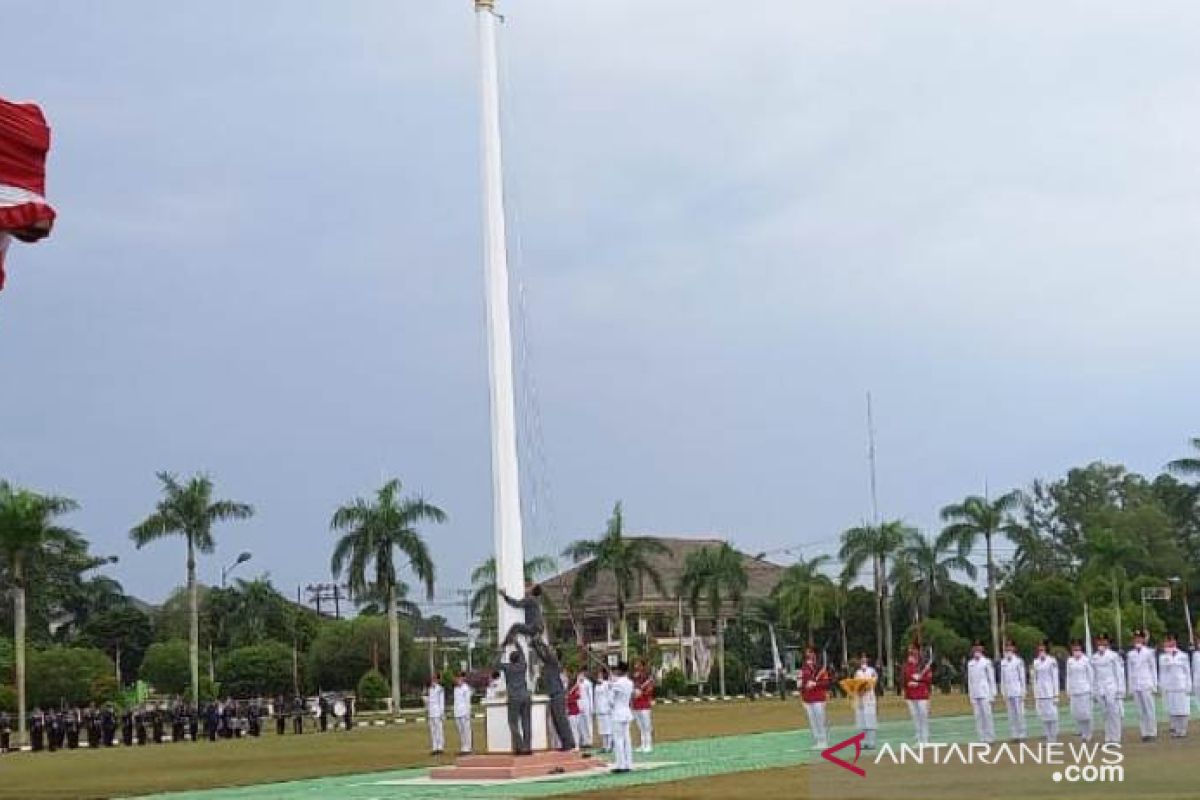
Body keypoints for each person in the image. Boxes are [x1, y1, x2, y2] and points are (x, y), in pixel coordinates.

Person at [499, 582, 550, 660]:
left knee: (516, 626)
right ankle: (536, 641)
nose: (528, 588)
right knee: (532, 643)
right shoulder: (537, 601)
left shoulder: (530, 599)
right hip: (538, 628)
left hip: (534, 627)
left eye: (530, 587)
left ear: (533, 591)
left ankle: (504, 645)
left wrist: (505, 596)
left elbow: (517, 604)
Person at [1091, 632, 1125, 744]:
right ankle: (1108, 737)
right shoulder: (1094, 657)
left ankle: (1115, 738)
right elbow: (1094, 675)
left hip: (1111, 687)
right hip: (1100, 688)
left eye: (1103, 641)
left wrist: (1120, 689)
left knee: (1114, 713)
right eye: (1099, 641)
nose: (1101, 643)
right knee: (1105, 713)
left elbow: (1119, 673)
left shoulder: (1113, 655)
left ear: (1107, 642)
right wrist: (1094, 690)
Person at [497, 648, 532, 755]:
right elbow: (523, 656)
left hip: (514, 697)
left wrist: (500, 651)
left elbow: (495, 664)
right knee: (526, 722)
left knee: (513, 723)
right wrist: (517, 644)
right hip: (525, 696)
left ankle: (520, 746)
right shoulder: (523, 666)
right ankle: (527, 746)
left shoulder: (508, 667)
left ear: (510, 659)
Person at [1126, 629, 1157, 742]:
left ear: (1143, 639)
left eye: (1139, 638)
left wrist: (1154, 685)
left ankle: (1152, 732)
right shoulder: (1130, 654)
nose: (1137, 640)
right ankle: (1144, 733)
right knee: (1140, 711)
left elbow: (1153, 669)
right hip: (1136, 684)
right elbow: (1129, 671)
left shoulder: (1149, 652)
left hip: (1146, 683)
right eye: (1135, 638)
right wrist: (1130, 687)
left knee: (1149, 709)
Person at [542, 648, 576, 751]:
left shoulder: (554, 663)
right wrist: (535, 644)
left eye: (553, 652)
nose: (550, 653)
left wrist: (539, 642)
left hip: (557, 694)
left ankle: (569, 743)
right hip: (553, 695)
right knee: (557, 721)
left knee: (561, 720)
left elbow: (546, 653)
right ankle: (565, 743)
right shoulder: (549, 664)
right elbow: (542, 655)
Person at [1158, 633, 1190, 738]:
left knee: (1182, 709)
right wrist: (1162, 686)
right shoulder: (1163, 657)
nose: (1167, 643)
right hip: (1169, 686)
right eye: (1166, 641)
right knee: (1172, 709)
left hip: (1181, 685)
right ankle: (1175, 729)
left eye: (1169, 640)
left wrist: (1188, 685)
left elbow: (1187, 672)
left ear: (1174, 641)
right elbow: (1162, 673)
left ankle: (1183, 729)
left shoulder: (1183, 655)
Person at [799, 647, 831, 749]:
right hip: (808, 699)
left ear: (814, 655)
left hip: (819, 698)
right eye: (807, 653)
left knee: (820, 720)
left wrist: (815, 684)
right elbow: (800, 684)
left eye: (811, 653)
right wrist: (804, 688)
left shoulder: (820, 668)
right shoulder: (804, 669)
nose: (809, 655)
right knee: (812, 721)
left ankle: (824, 740)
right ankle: (817, 740)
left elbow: (826, 683)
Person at [966, 642, 997, 743]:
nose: (976, 651)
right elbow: (970, 681)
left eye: (978, 648)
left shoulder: (986, 662)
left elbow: (991, 679)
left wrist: (993, 694)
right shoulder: (970, 664)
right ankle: (982, 738)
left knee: (987, 716)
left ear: (982, 649)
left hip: (985, 693)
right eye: (975, 648)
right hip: (975, 693)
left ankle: (990, 738)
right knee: (978, 717)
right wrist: (971, 696)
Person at [902, 645, 932, 745]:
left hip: (921, 694)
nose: (911, 654)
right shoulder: (906, 666)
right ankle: (919, 739)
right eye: (910, 652)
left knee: (923, 716)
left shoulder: (923, 665)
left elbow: (928, 680)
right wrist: (907, 684)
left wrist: (919, 681)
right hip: (910, 695)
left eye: (913, 652)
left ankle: (925, 739)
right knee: (915, 717)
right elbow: (903, 679)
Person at [608, 661, 635, 774]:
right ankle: (628, 763)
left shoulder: (617, 683)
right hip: (626, 711)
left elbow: (610, 700)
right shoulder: (630, 682)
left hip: (618, 713)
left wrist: (611, 685)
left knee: (618, 740)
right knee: (627, 739)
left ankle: (621, 764)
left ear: (619, 670)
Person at [1065, 640, 1094, 741]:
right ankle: (1083, 733)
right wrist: (1068, 690)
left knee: (1086, 713)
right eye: (1074, 649)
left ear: (1081, 650)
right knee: (1077, 713)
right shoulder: (1070, 661)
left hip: (1085, 690)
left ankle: (1088, 732)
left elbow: (1091, 675)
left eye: (1078, 649)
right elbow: (1068, 676)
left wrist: (1091, 690)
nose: (1076, 651)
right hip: (1074, 690)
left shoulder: (1086, 660)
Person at [1032, 640, 1060, 743]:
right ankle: (1048, 738)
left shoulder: (1051, 661)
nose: (1041, 651)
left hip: (1050, 692)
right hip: (1040, 693)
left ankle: (1054, 738)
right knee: (1044, 717)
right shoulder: (1035, 662)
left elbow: (1055, 679)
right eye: (1039, 650)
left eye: (1042, 649)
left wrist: (1056, 695)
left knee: (1052, 716)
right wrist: (1036, 695)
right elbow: (1035, 679)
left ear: (1046, 650)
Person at [999, 640, 1027, 741]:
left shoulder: (1018, 661)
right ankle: (1014, 734)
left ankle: (1022, 734)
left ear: (1014, 649)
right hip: (1008, 692)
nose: (1009, 649)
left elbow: (1022, 677)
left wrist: (1023, 691)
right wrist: (1003, 692)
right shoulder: (1003, 662)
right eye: (1007, 648)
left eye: (1010, 647)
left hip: (1017, 691)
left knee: (1020, 714)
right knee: (1011, 715)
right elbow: (1002, 679)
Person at [852, 652, 879, 749]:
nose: (863, 660)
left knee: (870, 720)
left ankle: (871, 742)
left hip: (869, 698)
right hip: (860, 699)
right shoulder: (857, 672)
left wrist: (865, 689)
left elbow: (873, 682)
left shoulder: (872, 671)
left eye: (865, 658)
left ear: (867, 659)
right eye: (861, 658)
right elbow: (855, 684)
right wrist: (858, 692)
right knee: (861, 721)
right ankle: (863, 742)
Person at [631, 659, 655, 753]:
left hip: (644, 704)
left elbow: (650, 689)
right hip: (636, 704)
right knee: (640, 726)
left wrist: (642, 692)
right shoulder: (634, 678)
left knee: (646, 725)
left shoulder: (647, 678)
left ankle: (649, 745)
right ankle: (642, 744)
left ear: (642, 666)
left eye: (638, 664)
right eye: (635, 665)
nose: (636, 666)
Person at [452, 671, 473, 754]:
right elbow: (456, 701)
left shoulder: (466, 688)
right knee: (460, 731)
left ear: (461, 678)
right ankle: (463, 747)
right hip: (457, 712)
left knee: (466, 730)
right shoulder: (456, 689)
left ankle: (468, 747)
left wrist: (468, 712)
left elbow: (468, 701)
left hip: (464, 712)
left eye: (458, 678)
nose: (457, 680)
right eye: (456, 678)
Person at [594, 667, 613, 752]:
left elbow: (610, 695)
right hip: (599, 709)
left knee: (608, 729)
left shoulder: (607, 684)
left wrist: (610, 706)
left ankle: (609, 746)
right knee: (602, 729)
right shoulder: (597, 685)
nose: (599, 676)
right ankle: (604, 745)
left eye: (601, 675)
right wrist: (595, 708)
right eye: (598, 675)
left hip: (606, 709)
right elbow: (595, 698)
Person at [425, 677, 446, 755]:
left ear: (437, 680)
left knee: (439, 730)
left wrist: (442, 713)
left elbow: (441, 702)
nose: (433, 681)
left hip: (437, 712)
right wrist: (428, 712)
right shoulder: (430, 689)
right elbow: (429, 702)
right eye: (432, 680)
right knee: (433, 731)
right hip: (431, 713)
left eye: (434, 680)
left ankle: (440, 747)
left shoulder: (440, 689)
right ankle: (434, 747)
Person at [576, 668, 595, 749]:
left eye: (582, 673)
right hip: (580, 704)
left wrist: (591, 707)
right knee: (581, 723)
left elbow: (590, 695)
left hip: (587, 703)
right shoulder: (577, 683)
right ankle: (584, 740)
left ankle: (590, 740)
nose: (580, 675)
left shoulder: (588, 683)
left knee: (588, 722)